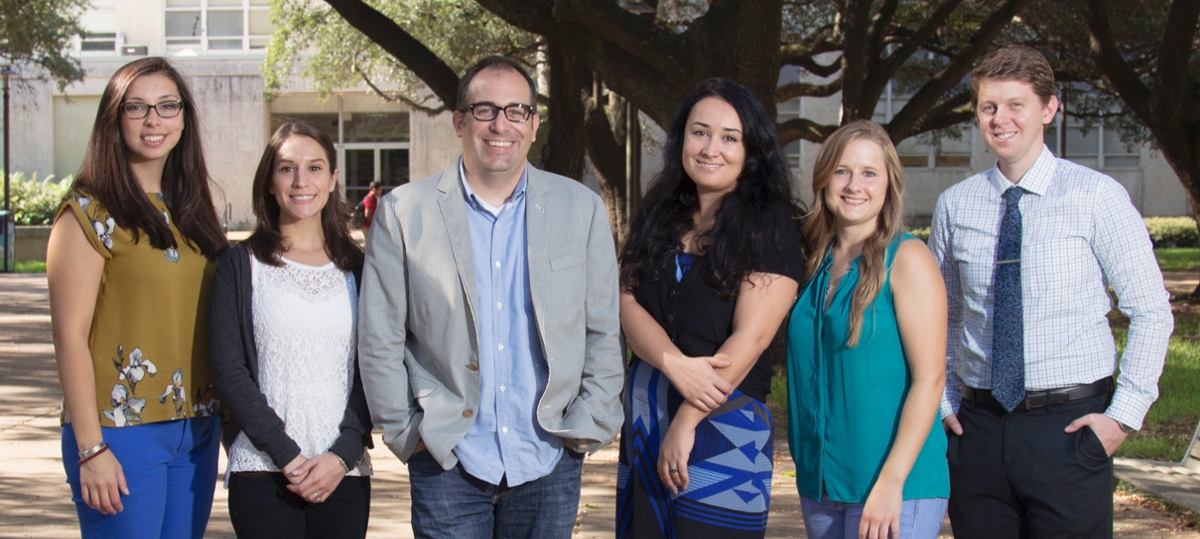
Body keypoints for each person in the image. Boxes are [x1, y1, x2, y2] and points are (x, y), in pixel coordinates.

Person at [356, 55, 625, 539]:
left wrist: (590, 421)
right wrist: (406, 431)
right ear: (460, 120)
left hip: (548, 456)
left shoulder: (580, 209)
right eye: (485, 110)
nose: (501, 124)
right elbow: (379, 337)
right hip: (446, 459)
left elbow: (603, 328)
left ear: (534, 124)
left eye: (516, 110)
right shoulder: (404, 213)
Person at [928, 46, 1174, 538]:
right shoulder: (955, 205)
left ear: (1049, 108)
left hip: (1070, 431)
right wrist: (946, 405)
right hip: (977, 432)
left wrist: (1121, 420)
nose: (1001, 119)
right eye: (989, 107)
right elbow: (944, 318)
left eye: (1016, 104)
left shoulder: (1096, 197)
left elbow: (1151, 311)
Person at [45, 57, 229, 538]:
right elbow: (69, 338)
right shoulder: (88, 212)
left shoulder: (191, 211)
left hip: (197, 427)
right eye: (137, 107)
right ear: (113, 117)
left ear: (184, 118)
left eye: (167, 106)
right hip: (119, 432)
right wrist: (91, 448)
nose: (154, 120)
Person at [616, 78, 804, 539]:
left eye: (729, 137)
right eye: (700, 132)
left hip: (724, 424)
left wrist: (686, 421)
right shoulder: (659, 210)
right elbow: (624, 298)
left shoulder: (772, 223)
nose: (710, 148)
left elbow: (751, 338)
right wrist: (673, 364)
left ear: (751, 149)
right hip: (645, 414)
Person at [207, 121, 374, 538]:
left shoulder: (360, 269)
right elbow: (229, 370)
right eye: (287, 169)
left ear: (333, 179)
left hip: (343, 471)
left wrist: (343, 454)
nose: (302, 181)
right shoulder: (239, 265)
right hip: (264, 470)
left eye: (315, 168)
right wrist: (288, 456)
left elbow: (375, 366)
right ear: (269, 181)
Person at [787, 120, 949, 539]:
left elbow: (930, 379)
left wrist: (891, 483)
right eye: (842, 170)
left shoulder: (909, 257)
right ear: (824, 180)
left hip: (893, 486)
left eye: (869, 172)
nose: (854, 184)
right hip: (821, 483)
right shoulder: (814, 265)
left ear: (889, 184)